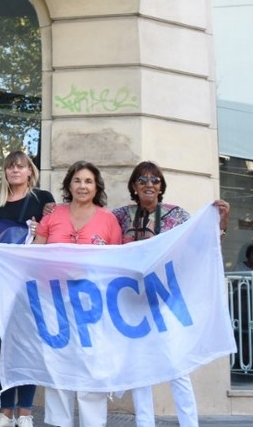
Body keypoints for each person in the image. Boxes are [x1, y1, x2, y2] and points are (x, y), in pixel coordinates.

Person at [112, 161, 230, 427]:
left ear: (162, 186)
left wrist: (219, 224)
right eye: (142, 180)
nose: (149, 185)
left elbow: (201, 246)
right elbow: (96, 229)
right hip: (133, 302)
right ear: (133, 186)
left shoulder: (176, 215)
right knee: (141, 368)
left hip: (167, 300)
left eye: (155, 180)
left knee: (177, 366)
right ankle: (145, 424)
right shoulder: (120, 215)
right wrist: (53, 210)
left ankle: (189, 423)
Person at [33, 160, 122, 427]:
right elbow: (34, 254)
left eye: (88, 181)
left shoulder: (108, 219)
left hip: (93, 304)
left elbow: (116, 262)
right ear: (69, 185)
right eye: (77, 180)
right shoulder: (52, 215)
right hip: (54, 300)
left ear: (96, 188)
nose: (82, 186)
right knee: (57, 364)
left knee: (91, 364)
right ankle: (59, 423)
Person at [0, 151, 56, 427]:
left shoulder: (42, 199)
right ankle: (5, 411)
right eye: (10, 167)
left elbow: (50, 232)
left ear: (29, 171)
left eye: (20, 167)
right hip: (3, 280)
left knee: (27, 347)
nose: (15, 171)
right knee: (2, 348)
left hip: (30, 281)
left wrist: (40, 230)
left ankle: (25, 412)